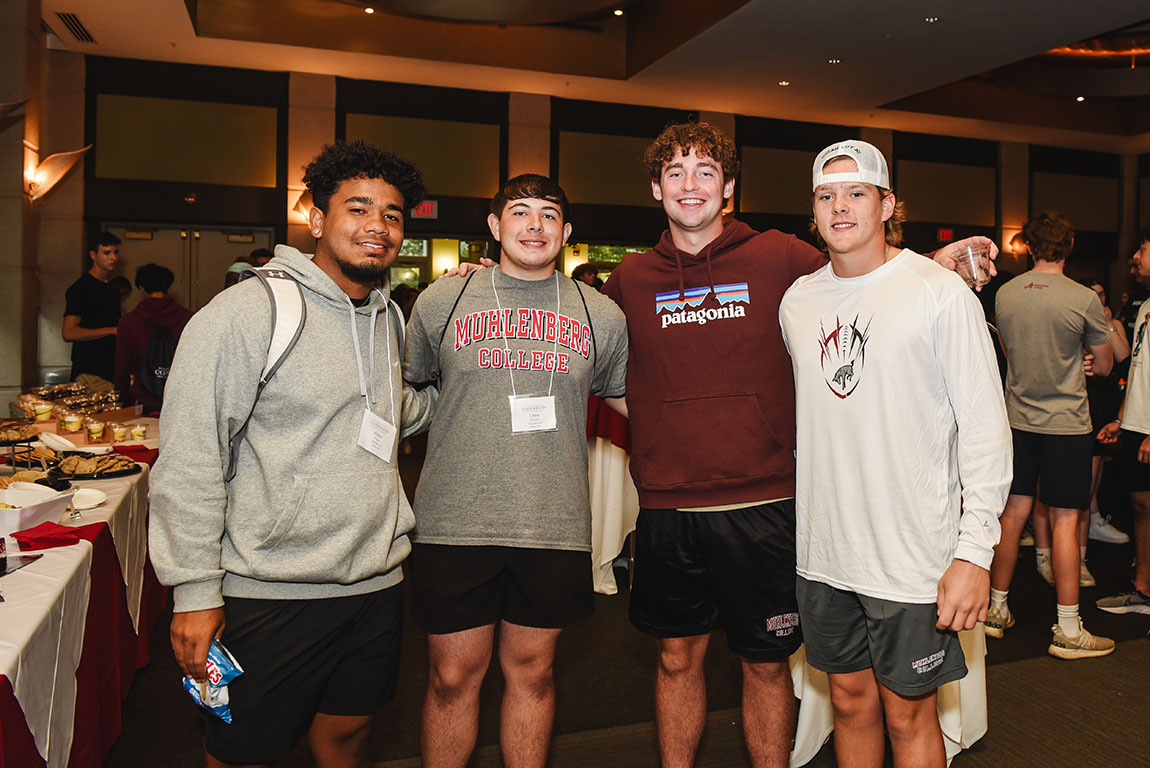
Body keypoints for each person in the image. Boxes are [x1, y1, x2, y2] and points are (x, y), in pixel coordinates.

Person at [599, 122, 997, 768]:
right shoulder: (634, 280)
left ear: (729, 187)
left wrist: (936, 265)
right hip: (686, 512)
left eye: (706, 172)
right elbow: (601, 368)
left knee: (777, 670)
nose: (691, 185)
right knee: (694, 666)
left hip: (770, 509)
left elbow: (870, 277)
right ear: (655, 187)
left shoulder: (780, 259)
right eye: (676, 172)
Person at [150, 140, 437, 768]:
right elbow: (191, 458)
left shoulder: (387, 318)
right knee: (241, 751)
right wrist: (195, 591)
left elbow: (392, 416)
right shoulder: (246, 313)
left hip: (376, 584)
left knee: (348, 736)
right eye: (357, 207)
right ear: (316, 218)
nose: (376, 226)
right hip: (267, 593)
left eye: (391, 214)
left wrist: (476, 379)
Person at [779, 140, 1011, 768]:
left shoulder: (940, 294)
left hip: (913, 558)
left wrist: (973, 553)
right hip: (825, 553)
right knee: (850, 704)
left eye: (857, 193)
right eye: (826, 195)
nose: (840, 207)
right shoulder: (797, 302)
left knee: (910, 715)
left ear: (888, 205)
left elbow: (987, 434)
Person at [402, 174, 628, 768]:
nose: (534, 226)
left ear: (567, 232)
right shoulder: (442, 300)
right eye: (520, 213)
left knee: (534, 674)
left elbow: (634, 401)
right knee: (451, 678)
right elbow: (409, 389)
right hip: (454, 522)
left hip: (551, 523)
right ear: (494, 226)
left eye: (549, 215)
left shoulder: (599, 314)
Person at [989, 210, 1115, 658]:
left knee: (1011, 515)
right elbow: (1103, 365)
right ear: (1068, 246)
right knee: (1065, 521)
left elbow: (1010, 353)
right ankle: (1067, 628)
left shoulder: (1004, 293)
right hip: (1065, 426)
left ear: (1028, 246)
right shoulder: (1082, 298)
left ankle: (995, 610)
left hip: (1017, 421)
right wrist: (1079, 357)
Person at [1096, 227, 1150, 616]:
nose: (1134, 258)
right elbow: (1138, 369)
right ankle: (1144, 587)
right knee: (1140, 507)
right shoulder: (1145, 306)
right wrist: (1123, 417)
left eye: (1142, 250)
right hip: (1135, 422)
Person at [112, 263, 194, 412]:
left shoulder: (129, 322)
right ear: (169, 287)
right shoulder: (189, 318)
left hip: (142, 401)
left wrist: (124, 400)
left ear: (141, 288)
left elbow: (121, 370)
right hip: (179, 402)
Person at [63, 231, 122, 383]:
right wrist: (111, 330)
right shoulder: (80, 288)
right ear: (93, 255)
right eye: (107, 253)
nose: (113, 258)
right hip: (88, 369)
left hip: (110, 366)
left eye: (115, 252)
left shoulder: (113, 288)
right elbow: (68, 333)